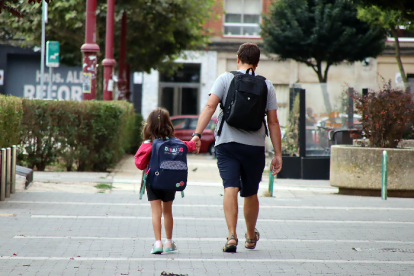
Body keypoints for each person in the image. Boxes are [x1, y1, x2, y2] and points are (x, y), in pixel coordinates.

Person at [191, 43, 283, 252]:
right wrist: (278, 153)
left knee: (230, 187)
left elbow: (210, 107)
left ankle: (231, 236)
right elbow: (273, 122)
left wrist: (197, 134)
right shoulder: (266, 85)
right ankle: (251, 236)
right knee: (251, 192)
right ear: (257, 63)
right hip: (254, 146)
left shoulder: (225, 78)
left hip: (227, 143)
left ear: (237, 58)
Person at [134, 108, 200, 254]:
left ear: (149, 125)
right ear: (169, 124)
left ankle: (158, 244)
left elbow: (139, 164)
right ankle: (169, 242)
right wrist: (195, 139)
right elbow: (190, 145)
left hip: (153, 181)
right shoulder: (175, 142)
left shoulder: (148, 144)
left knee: (156, 212)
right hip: (171, 181)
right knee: (168, 211)